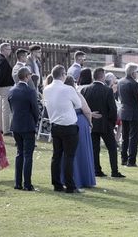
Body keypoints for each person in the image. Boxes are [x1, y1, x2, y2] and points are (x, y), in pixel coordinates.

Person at [43, 65, 83, 193]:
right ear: (63, 74)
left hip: (55, 125)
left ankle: (57, 184)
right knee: (69, 157)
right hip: (69, 125)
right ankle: (70, 186)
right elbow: (78, 104)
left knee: (57, 156)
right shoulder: (68, 89)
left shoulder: (47, 89)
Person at [81, 67, 124, 179]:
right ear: (103, 77)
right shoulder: (107, 90)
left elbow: (83, 107)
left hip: (91, 123)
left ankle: (97, 170)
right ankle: (114, 171)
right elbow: (112, 109)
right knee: (112, 147)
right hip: (105, 124)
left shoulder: (85, 90)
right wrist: (112, 123)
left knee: (95, 148)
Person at [60, 76, 96, 190]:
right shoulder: (77, 94)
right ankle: (84, 178)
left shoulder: (61, 95)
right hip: (79, 122)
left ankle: (67, 178)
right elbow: (87, 111)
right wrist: (90, 123)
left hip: (65, 122)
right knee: (82, 150)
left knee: (67, 152)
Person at [8, 67, 39, 190]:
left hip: (16, 125)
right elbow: (35, 111)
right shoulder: (30, 91)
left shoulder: (12, 90)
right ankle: (27, 184)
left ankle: (18, 183)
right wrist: (34, 122)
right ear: (26, 76)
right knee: (27, 155)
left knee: (19, 153)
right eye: (29, 75)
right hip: (27, 125)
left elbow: (11, 108)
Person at [118, 63, 138, 167]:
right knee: (133, 137)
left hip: (124, 111)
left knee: (125, 136)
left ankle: (123, 159)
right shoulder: (134, 84)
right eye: (137, 72)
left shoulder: (120, 82)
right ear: (133, 73)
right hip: (133, 111)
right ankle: (131, 161)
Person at [0, 42, 14, 135]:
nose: (10, 51)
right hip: (5, 87)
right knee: (6, 108)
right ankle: (6, 130)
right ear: (3, 50)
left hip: (3, 87)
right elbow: (0, 76)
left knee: (1, 108)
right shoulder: (2, 60)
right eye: (8, 49)